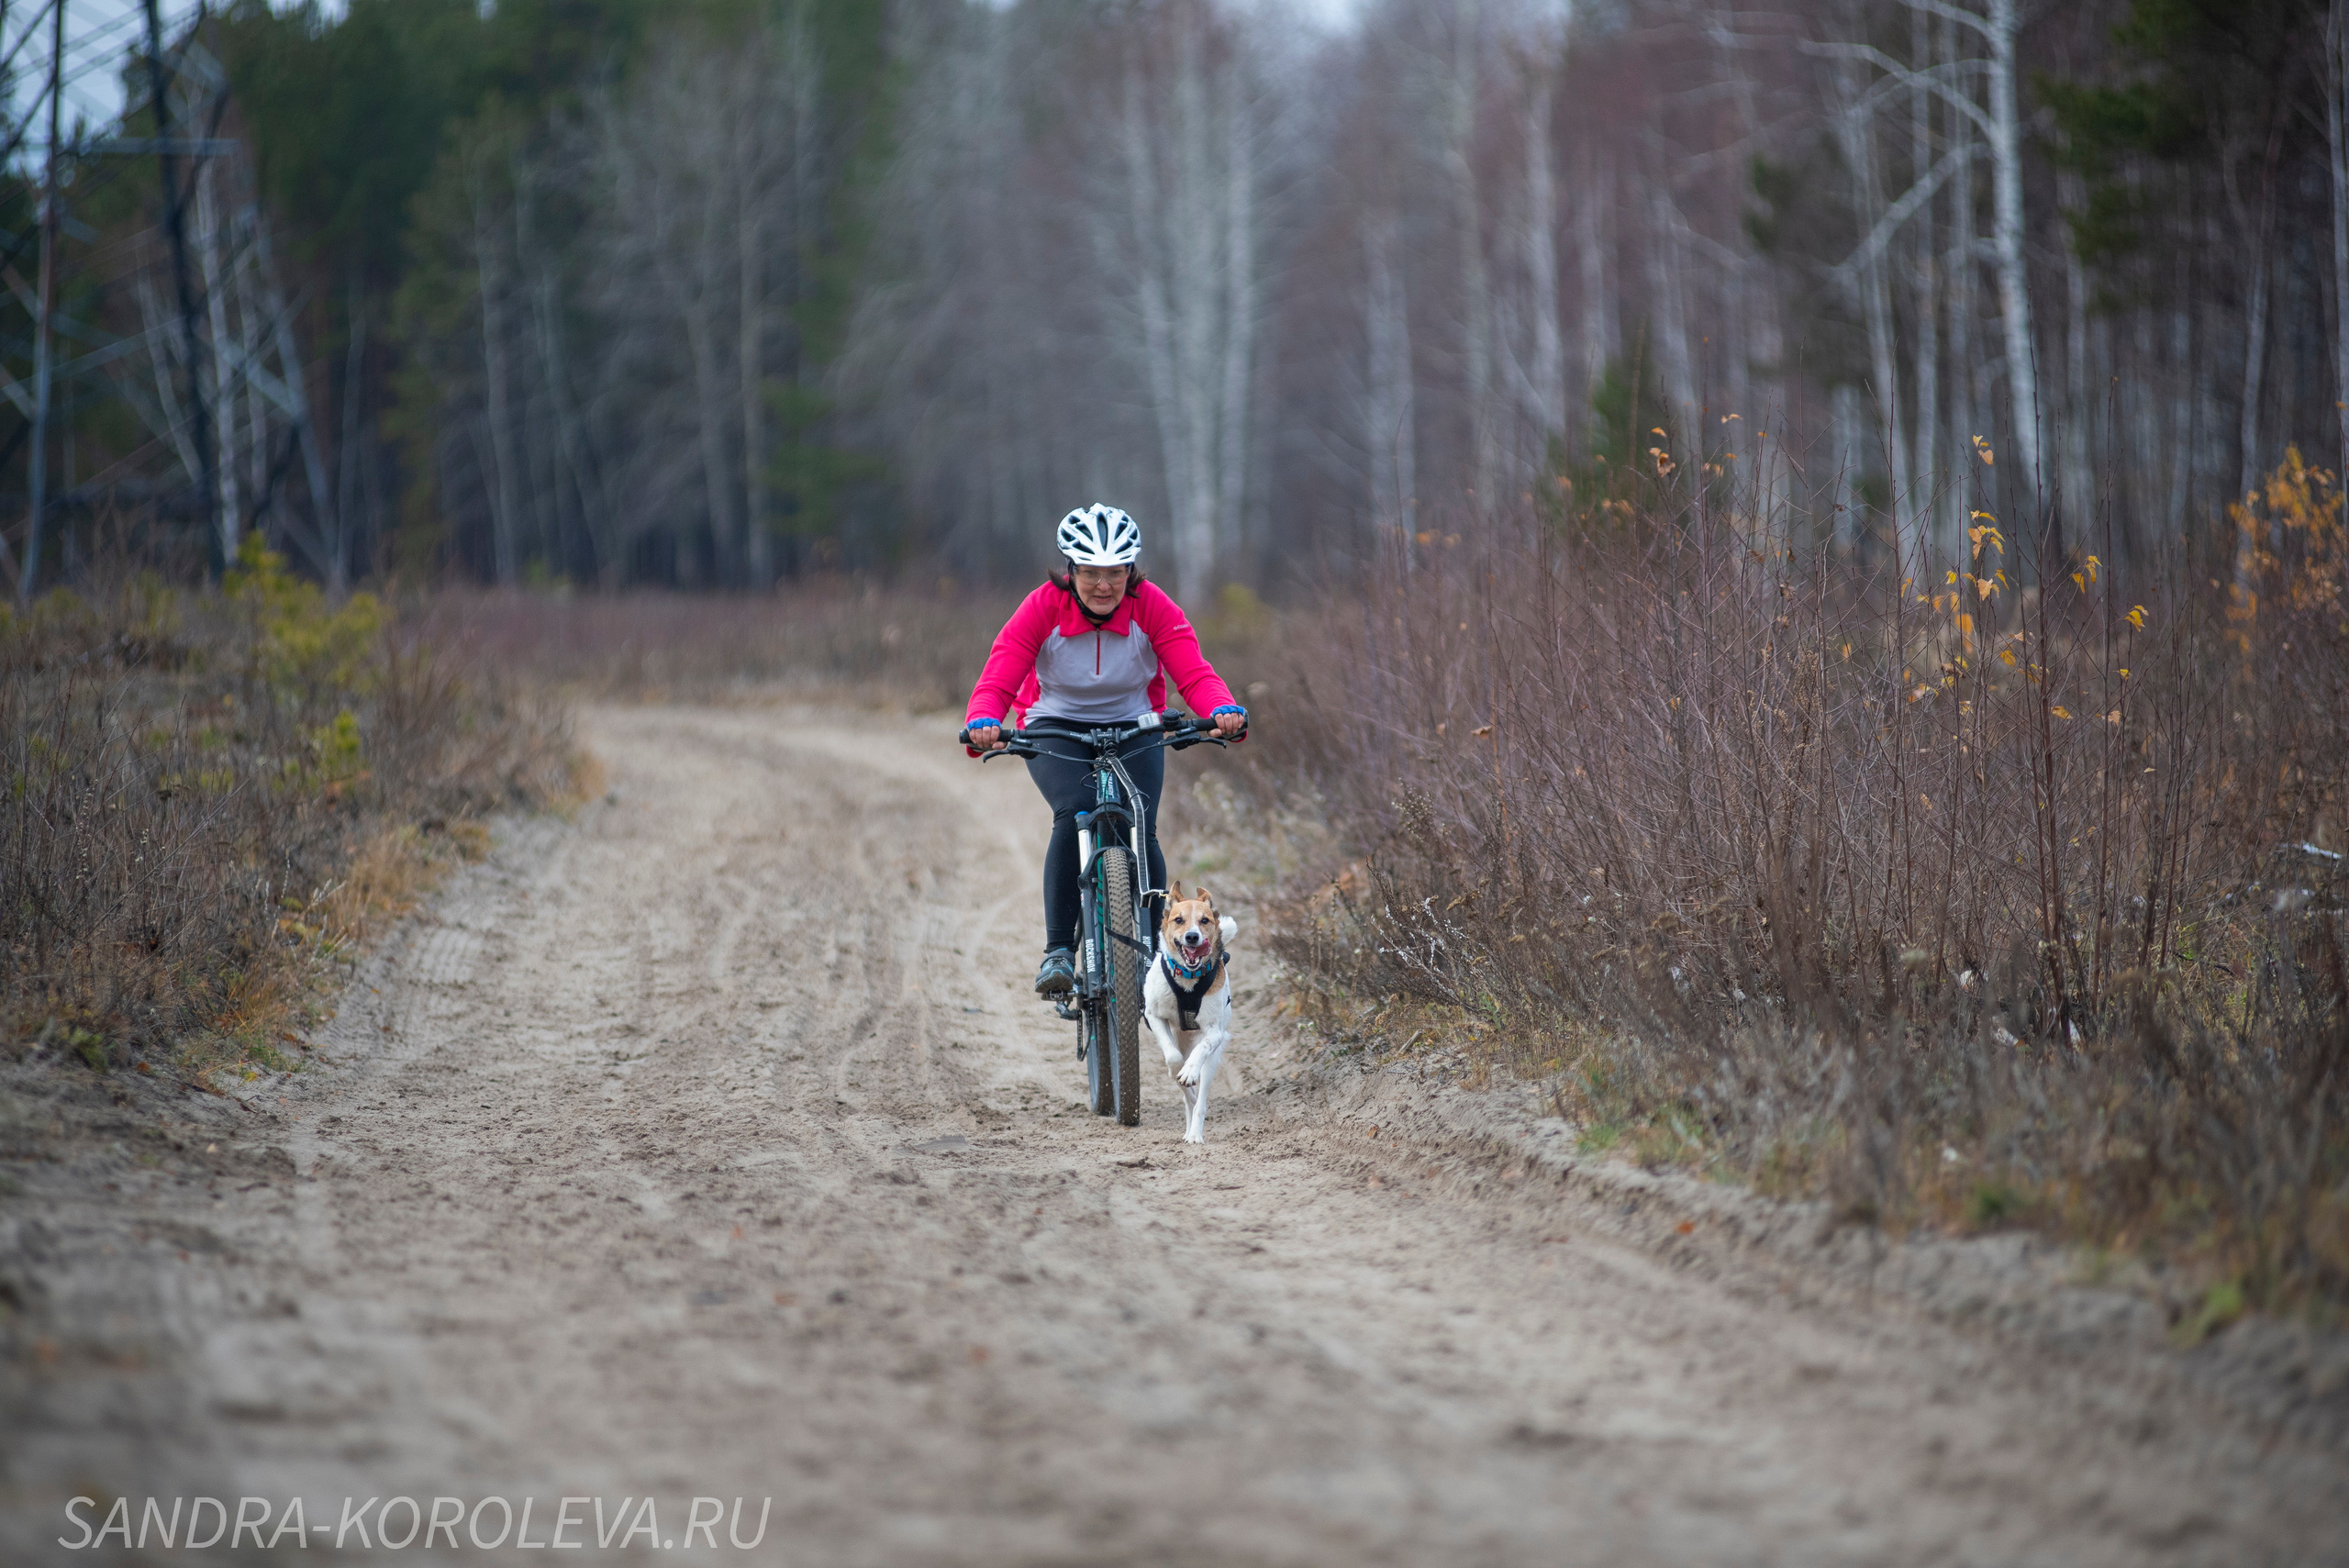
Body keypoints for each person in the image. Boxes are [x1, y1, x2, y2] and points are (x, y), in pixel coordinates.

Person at [963, 505, 1248, 995]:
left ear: (1129, 571)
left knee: (1140, 824)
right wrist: (984, 721)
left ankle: (1159, 947)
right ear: (1070, 570)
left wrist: (1222, 709)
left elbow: (1194, 671)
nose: (1103, 585)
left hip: (1136, 722)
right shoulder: (1042, 607)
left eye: (1115, 572)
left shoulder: (1153, 605)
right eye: (1090, 572)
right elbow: (1001, 672)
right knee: (1072, 812)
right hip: (1055, 723)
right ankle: (1057, 951)